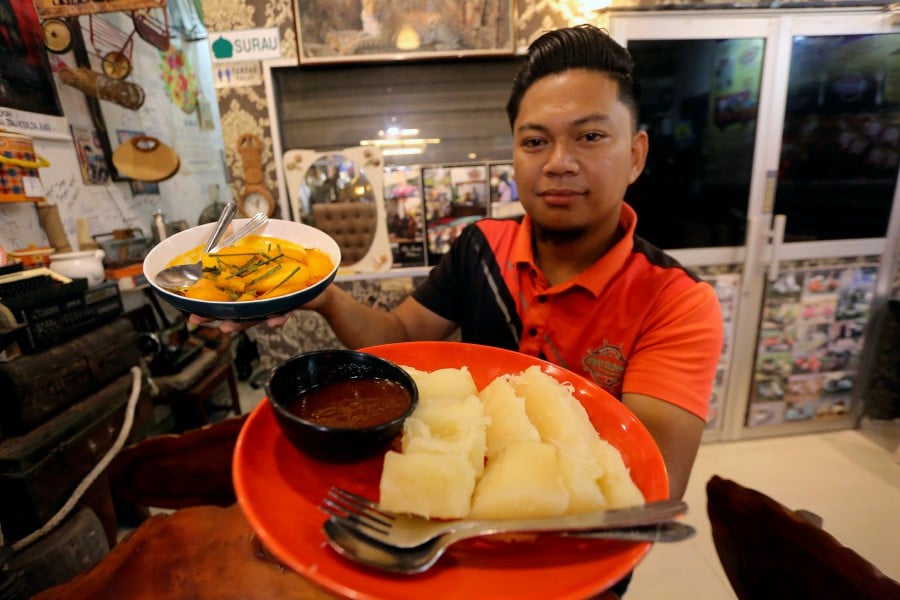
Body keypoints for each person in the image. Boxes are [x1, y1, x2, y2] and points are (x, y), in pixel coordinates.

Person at [194, 24, 722, 596]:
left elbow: (645, 494)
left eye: (590, 137)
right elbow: (397, 335)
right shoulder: (480, 246)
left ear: (637, 154)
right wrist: (322, 295)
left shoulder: (677, 300)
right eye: (535, 141)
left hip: (572, 574)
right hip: (441, 560)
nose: (559, 162)